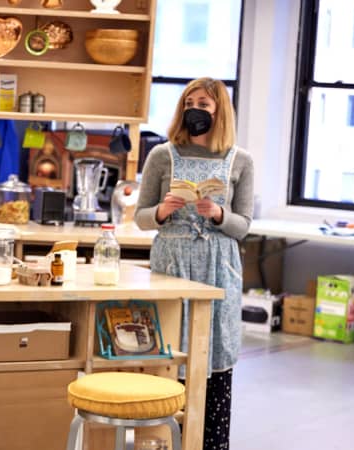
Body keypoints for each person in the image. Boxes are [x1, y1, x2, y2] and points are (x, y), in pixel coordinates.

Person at [135, 77, 254, 450]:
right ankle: (160, 441)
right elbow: (140, 216)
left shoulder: (241, 160)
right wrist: (161, 210)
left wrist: (220, 214)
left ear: (219, 111)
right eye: (189, 102)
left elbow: (245, 226)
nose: (194, 110)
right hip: (172, 260)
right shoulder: (161, 155)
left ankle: (210, 443)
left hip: (219, 265)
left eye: (203, 103)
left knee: (213, 350)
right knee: (168, 348)